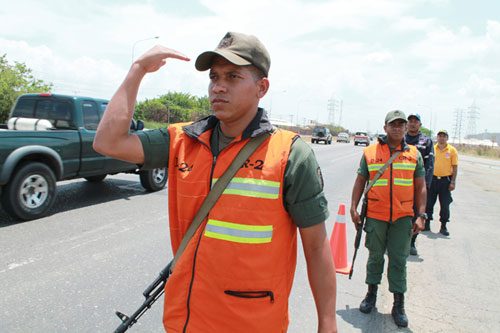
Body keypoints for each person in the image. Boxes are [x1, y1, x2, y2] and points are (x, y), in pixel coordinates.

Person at [93, 32, 337, 332]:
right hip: (185, 321)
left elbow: (316, 247)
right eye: (214, 77)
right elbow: (109, 141)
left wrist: (327, 322)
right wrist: (138, 69)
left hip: (251, 324)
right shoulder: (183, 140)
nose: (218, 87)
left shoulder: (290, 154)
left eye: (233, 77)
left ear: (262, 87)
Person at [350, 110, 426, 328]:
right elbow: (360, 181)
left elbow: (421, 187)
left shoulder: (414, 154)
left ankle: (398, 304)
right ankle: (371, 294)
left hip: (403, 218)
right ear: (385, 128)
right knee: (375, 257)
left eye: (401, 124)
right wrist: (353, 208)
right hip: (376, 215)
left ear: (406, 128)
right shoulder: (369, 152)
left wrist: (421, 215)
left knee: (399, 260)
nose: (397, 127)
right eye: (393, 124)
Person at [404, 113, 434, 255]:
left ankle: (411, 242)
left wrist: (425, 185)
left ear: (420, 124)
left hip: (417, 186)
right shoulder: (401, 138)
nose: (413, 124)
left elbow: (429, 165)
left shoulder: (425, 141)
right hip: (401, 185)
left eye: (416, 121)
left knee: (416, 214)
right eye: (410, 121)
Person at [426, 129, 458, 236]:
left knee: (445, 205)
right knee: (429, 203)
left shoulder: (452, 150)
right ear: (437, 137)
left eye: (444, 136)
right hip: (433, 180)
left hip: (445, 181)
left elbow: (455, 167)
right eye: (440, 136)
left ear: (447, 138)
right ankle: (426, 223)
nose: (441, 138)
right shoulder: (432, 149)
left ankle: (443, 226)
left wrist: (453, 182)